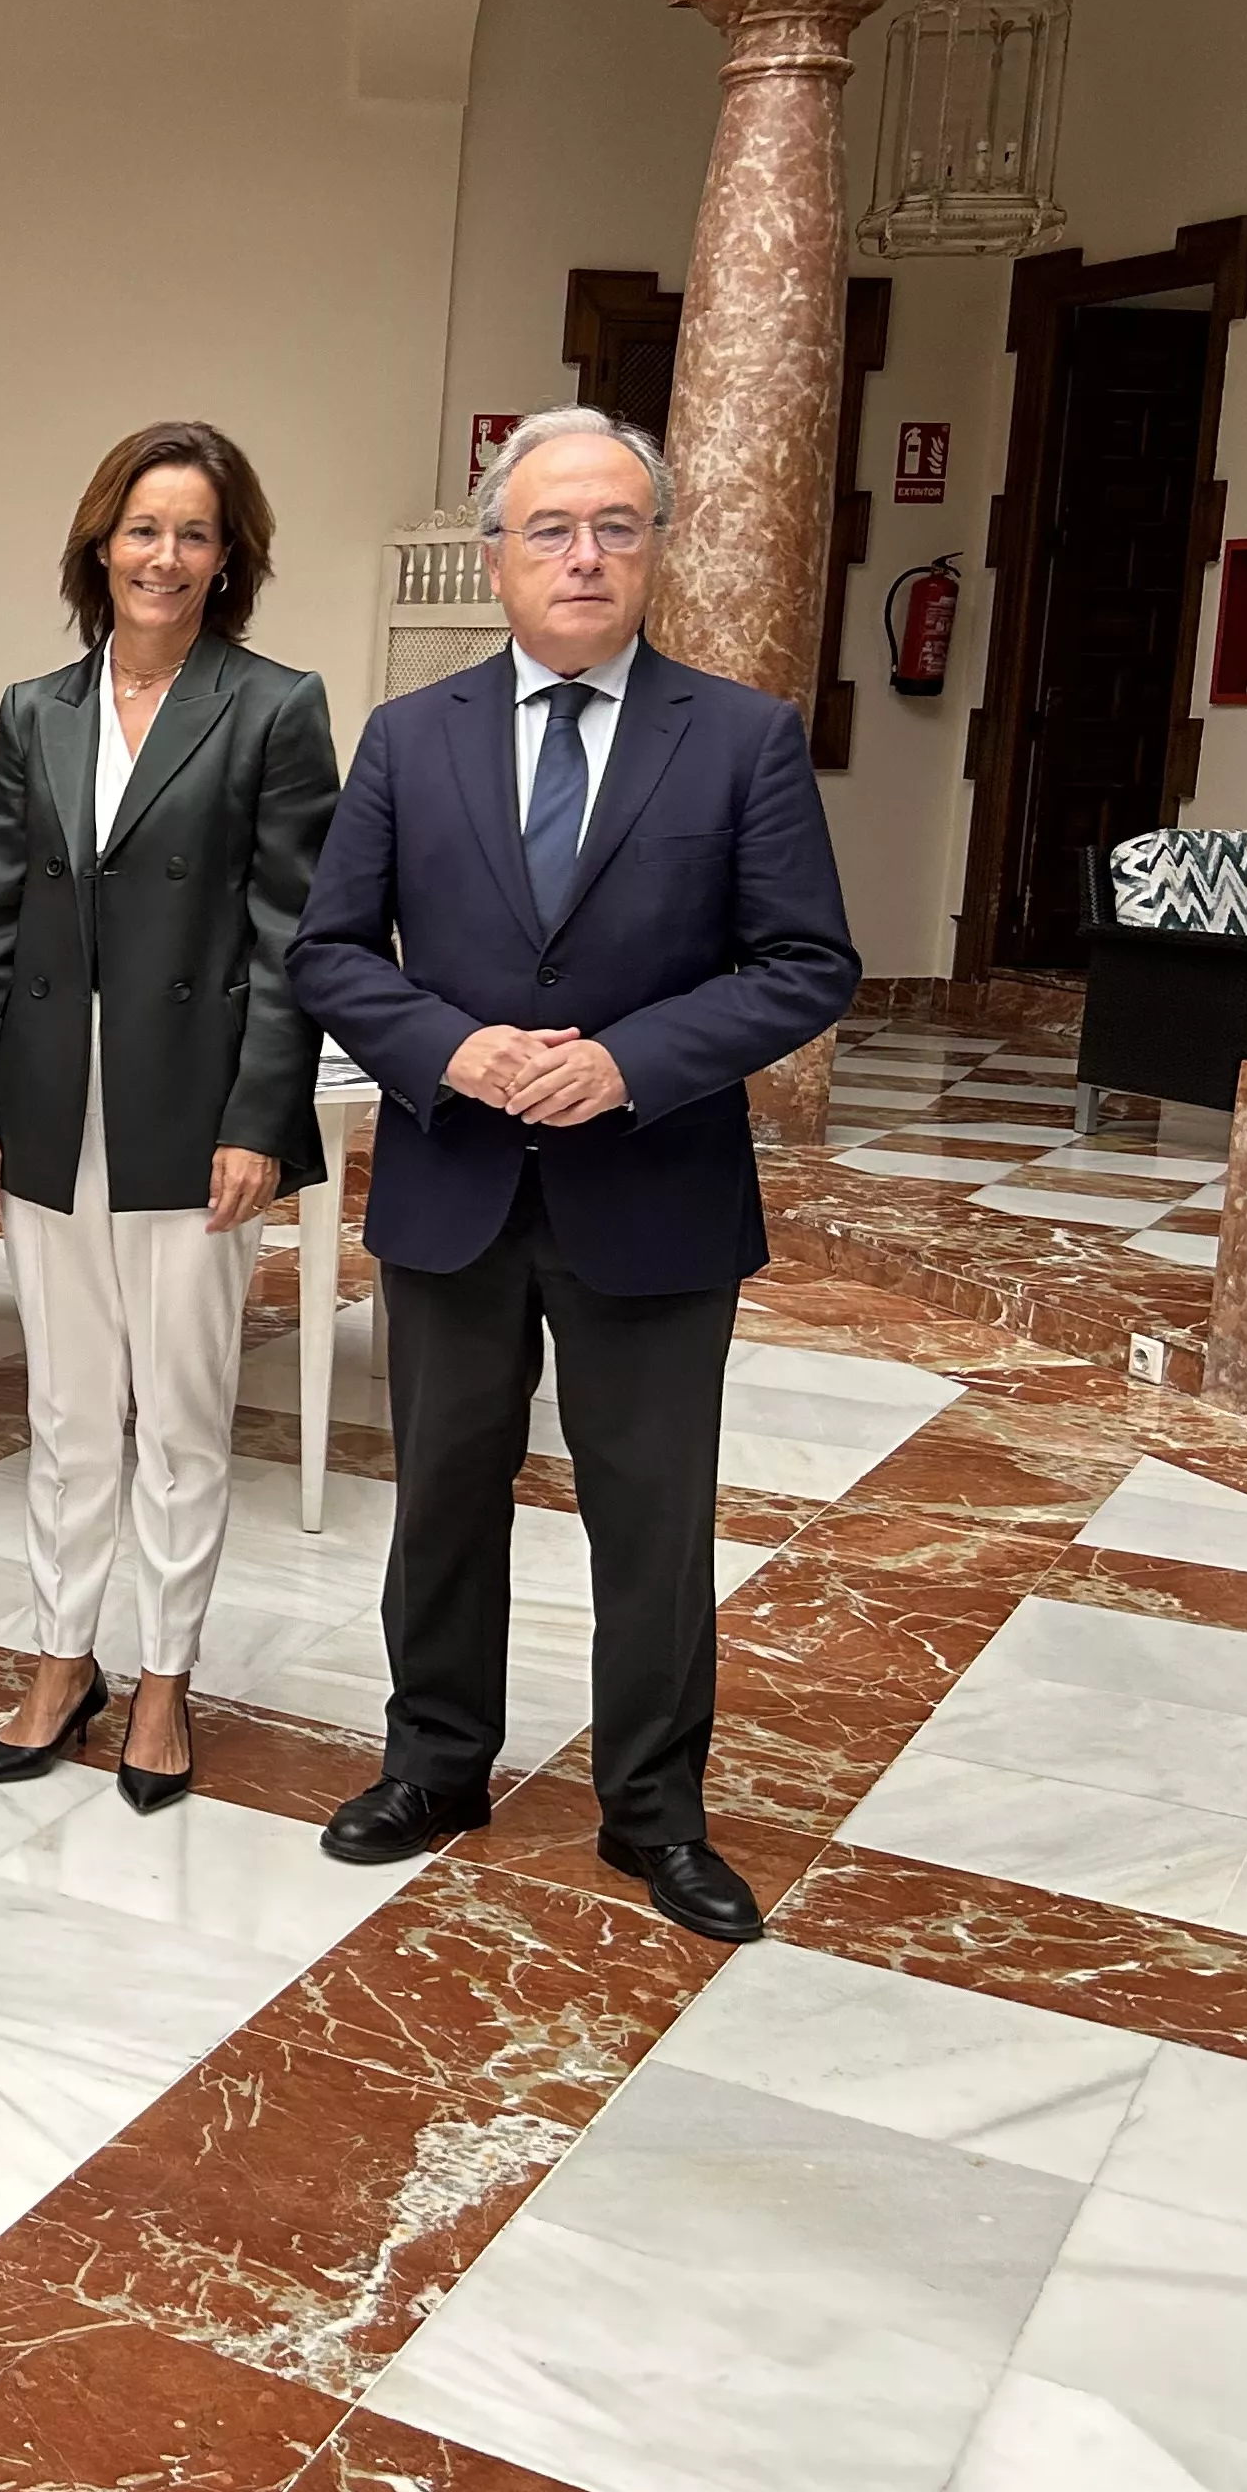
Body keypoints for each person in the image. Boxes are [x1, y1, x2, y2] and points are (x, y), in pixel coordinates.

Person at [289, 405, 858, 1942]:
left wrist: (631, 1062)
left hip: (654, 1186)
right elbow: (331, 950)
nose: (585, 555)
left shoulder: (740, 737)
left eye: (617, 525)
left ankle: (657, 1811)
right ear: (497, 558)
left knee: (654, 1518)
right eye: (551, 528)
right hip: (455, 1179)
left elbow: (807, 962)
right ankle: (434, 1764)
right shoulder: (413, 737)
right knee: (446, 1499)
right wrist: (455, 1051)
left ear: (658, 548)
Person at [0, 423, 337, 1811]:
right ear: (98, 545)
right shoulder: (32, 709)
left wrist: (258, 1116)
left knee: (176, 1412)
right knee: (64, 1409)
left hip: (192, 1115)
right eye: (143, 528)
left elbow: (300, 934)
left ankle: (164, 1676)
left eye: (194, 534)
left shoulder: (276, 708)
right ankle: (63, 1659)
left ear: (230, 560)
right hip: (53, 1105)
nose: (164, 556)